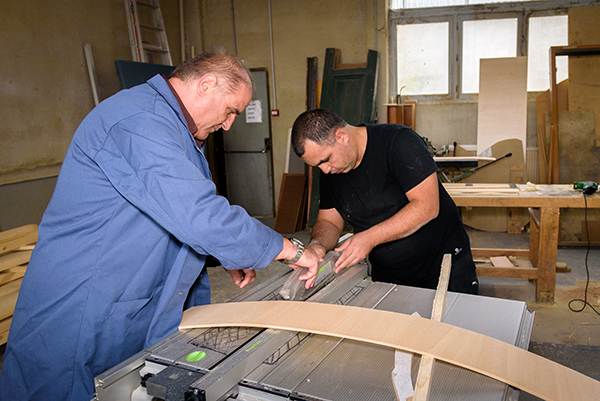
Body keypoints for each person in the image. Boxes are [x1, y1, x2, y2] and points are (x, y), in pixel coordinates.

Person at [0, 52, 319, 401]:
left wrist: (223, 252)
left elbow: (173, 214)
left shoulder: (173, 126)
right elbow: (197, 213)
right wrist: (287, 249)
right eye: (230, 111)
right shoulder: (139, 121)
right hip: (83, 300)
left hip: (126, 295)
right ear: (206, 84)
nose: (229, 125)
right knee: (63, 387)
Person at [291, 109, 478, 294]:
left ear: (341, 136)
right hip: (390, 273)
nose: (325, 170)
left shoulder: (398, 142)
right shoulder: (332, 172)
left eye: (326, 160)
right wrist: (318, 245)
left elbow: (427, 206)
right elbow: (329, 221)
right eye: (318, 165)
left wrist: (369, 238)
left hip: (441, 265)